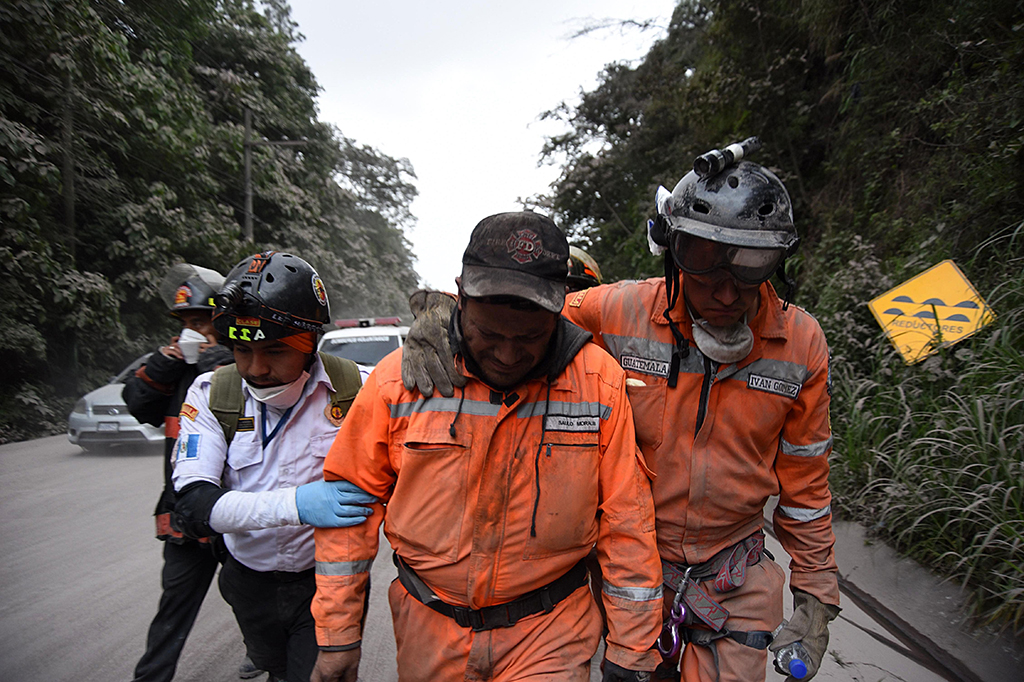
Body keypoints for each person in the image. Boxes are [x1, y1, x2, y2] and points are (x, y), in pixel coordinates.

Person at [401, 151, 841, 682]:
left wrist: (816, 595)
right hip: (629, 570)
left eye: (749, 268)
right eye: (704, 261)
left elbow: (806, 490)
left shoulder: (800, 344)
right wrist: (442, 312)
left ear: (776, 262)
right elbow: (518, 315)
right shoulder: (621, 311)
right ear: (674, 254)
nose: (726, 293)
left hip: (734, 577)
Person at [310, 212, 664, 682]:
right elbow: (349, 517)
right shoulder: (400, 381)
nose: (507, 353)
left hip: (551, 631)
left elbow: (627, 522)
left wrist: (632, 647)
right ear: (460, 296)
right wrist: (338, 637)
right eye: (489, 334)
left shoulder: (598, 385)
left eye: (530, 337)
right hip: (429, 630)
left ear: (560, 307)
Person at [170, 251, 376, 682]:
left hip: (328, 583)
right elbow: (193, 506)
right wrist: (298, 504)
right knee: (276, 668)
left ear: (311, 343)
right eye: (242, 350)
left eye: (275, 350)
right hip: (248, 584)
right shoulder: (209, 395)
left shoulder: (364, 390)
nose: (256, 368)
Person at [124, 263, 261, 682]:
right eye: (186, 324)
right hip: (186, 513)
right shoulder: (175, 366)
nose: (192, 331)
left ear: (221, 323)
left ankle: (261, 651)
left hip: (239, 510)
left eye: (200, 322)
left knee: (252, 596)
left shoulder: (249, 365)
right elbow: (139, 404)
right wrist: (168, 364)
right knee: (175, 603)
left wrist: (220, 361)